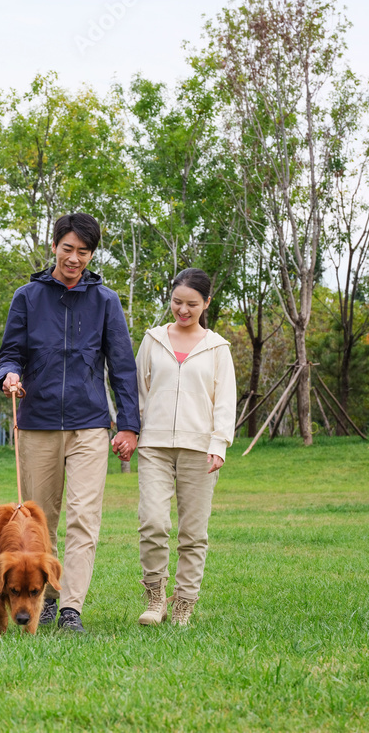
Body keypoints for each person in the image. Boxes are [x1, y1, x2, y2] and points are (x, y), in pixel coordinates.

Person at [0, 212, 140, 633]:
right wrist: (9, 374)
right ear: (54, 245)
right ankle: (49, 593)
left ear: (92, 254)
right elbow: (10, 353)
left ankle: (71, 608)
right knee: (40, 523)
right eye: (68, 249)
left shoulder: (106, 301)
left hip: (89, 424)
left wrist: (128, 424)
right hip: (37, 423)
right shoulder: (27, 296)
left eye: (83, 252)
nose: (74, 258)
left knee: (83, 516)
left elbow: (123, 368)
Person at [135, 268, 236, 627]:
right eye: (177, 302)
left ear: (206, 303)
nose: (183, 310)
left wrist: (219, 443)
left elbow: (225, 400)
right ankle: (155, 597)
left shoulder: (218, 347)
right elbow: (138, 391)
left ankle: (184, 603)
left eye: (192, 304)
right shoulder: (153, 339)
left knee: (193, 532)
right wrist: (134, 430)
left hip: (199, 449)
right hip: (155, 446)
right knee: (153, 521)